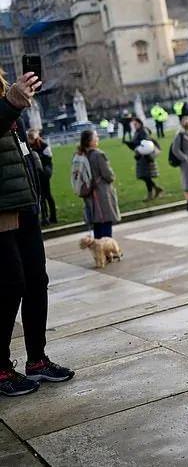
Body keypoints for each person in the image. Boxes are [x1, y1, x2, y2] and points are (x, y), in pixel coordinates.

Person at [0, 69, 75, 397]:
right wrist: (11, 104)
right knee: (9, 284)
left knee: (36, 280)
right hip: (1, 205)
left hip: (24, 199)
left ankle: (37, 359)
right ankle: (1, 369)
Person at [77, 129, 121, 239]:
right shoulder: (98, 155)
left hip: (89, 192)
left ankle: (99, 250)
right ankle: (106, 250)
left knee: (96, 223)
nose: (97, 139)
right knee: (105, 221)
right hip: (101, 192)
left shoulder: (82, 155)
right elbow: (108, 175)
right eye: (95, 137)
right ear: (89, 141)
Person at [124, 117, 164, 201]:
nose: (134, 126)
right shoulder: (137, 132)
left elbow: (145, 144)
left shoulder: (143, 132)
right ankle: (156, 189)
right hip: (140, 156)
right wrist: (129, 144)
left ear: (140, 123)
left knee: (145, 176)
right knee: (144, 176)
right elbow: (136, 144)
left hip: (146, 157)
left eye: (135, 124)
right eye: (133, 125)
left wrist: (135, 145)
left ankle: (151, 193)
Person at [25, 129, 56, 225]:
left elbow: (48, 161)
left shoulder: (44, 146)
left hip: (44, 174)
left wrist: (44, 172)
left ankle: (52, 217)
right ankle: (44, 217)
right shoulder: (29, 147)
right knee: (41, 196)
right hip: (37, 174)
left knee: (47, 195)